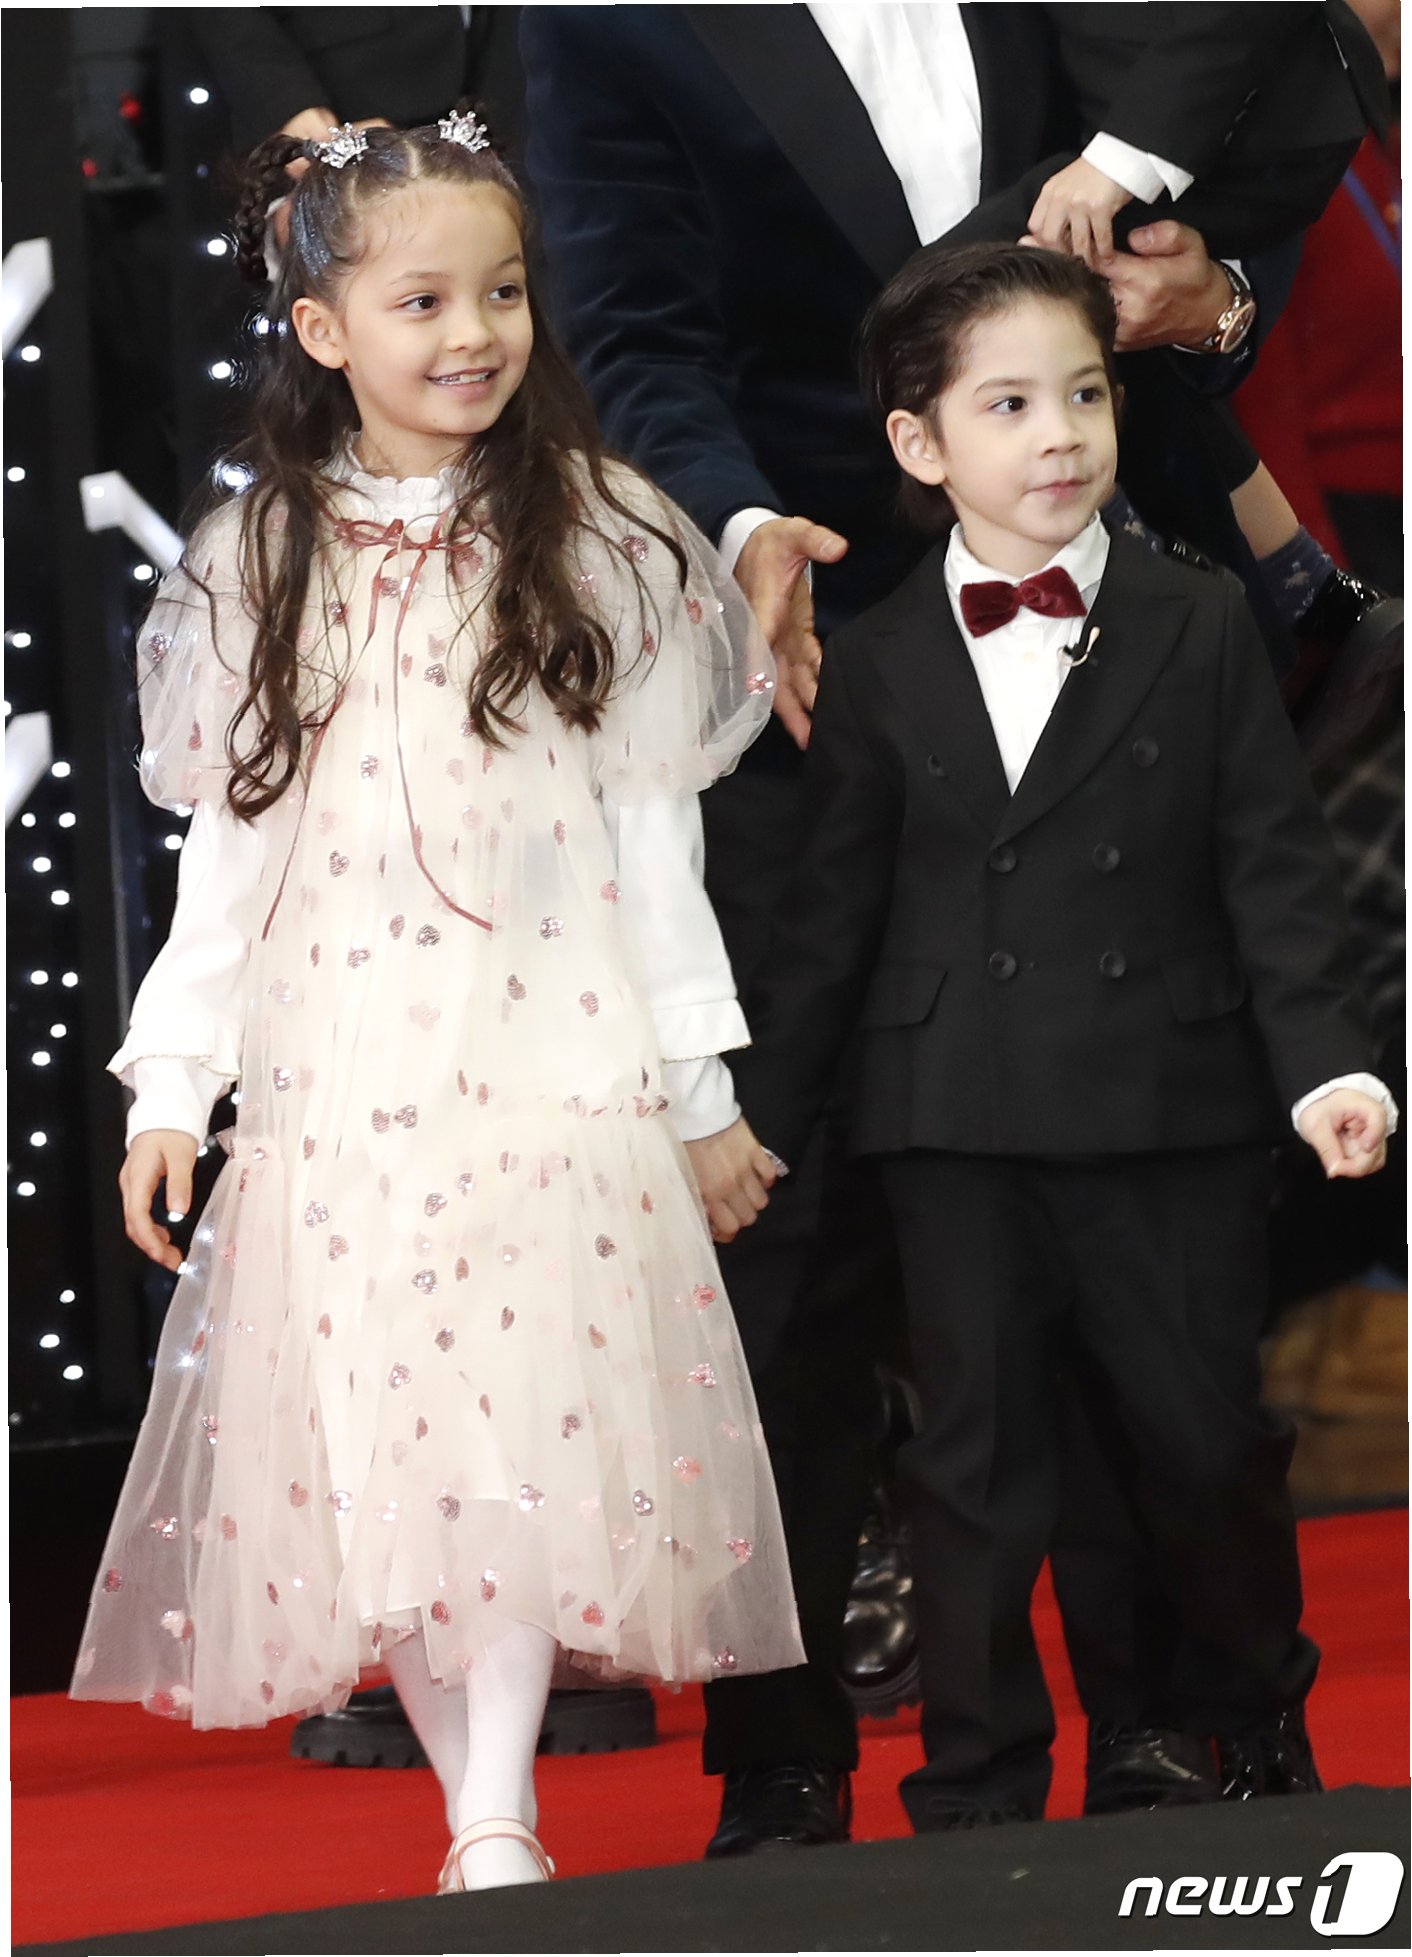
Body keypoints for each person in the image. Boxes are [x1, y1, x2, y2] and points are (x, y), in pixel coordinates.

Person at [518, 0, 1388, 1852]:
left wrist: (1212, 304)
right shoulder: (604, 18)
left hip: (1117, 624)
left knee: (1136, 1253)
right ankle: (787, 1763)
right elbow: (637, 326)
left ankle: (1174, 1739)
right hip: (806, 659)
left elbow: (1242, 132)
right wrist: (745, 527)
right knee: (803, 1248)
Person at [69, 114, 803, 1894]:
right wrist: (171, 1081)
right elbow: (233, 856)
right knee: (389, 1452)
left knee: (526, 1431)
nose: (473, 332)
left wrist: (699, 1089)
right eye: (422, 301)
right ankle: (480, 1805)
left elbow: (655, 842)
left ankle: (496, 1810)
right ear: (324, 329)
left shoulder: (605, 533)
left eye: (504, 291)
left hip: (554, 1062)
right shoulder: (258, 557)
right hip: (345, 1079)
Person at [719, 240, 1395, 1828]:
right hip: (952, 1118)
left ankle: (1237, 1720)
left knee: (1199, 1439)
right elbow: (828, 926)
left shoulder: (1200, 616)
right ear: (919, 443)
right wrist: (758, 1121)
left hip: (1170, 1106)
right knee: (973, 1463)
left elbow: (1275, 867)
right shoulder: (878, 656)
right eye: (1010, 404)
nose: (1061, 435)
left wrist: (1331, 1061)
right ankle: (977, 1778)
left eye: (1086, 395)